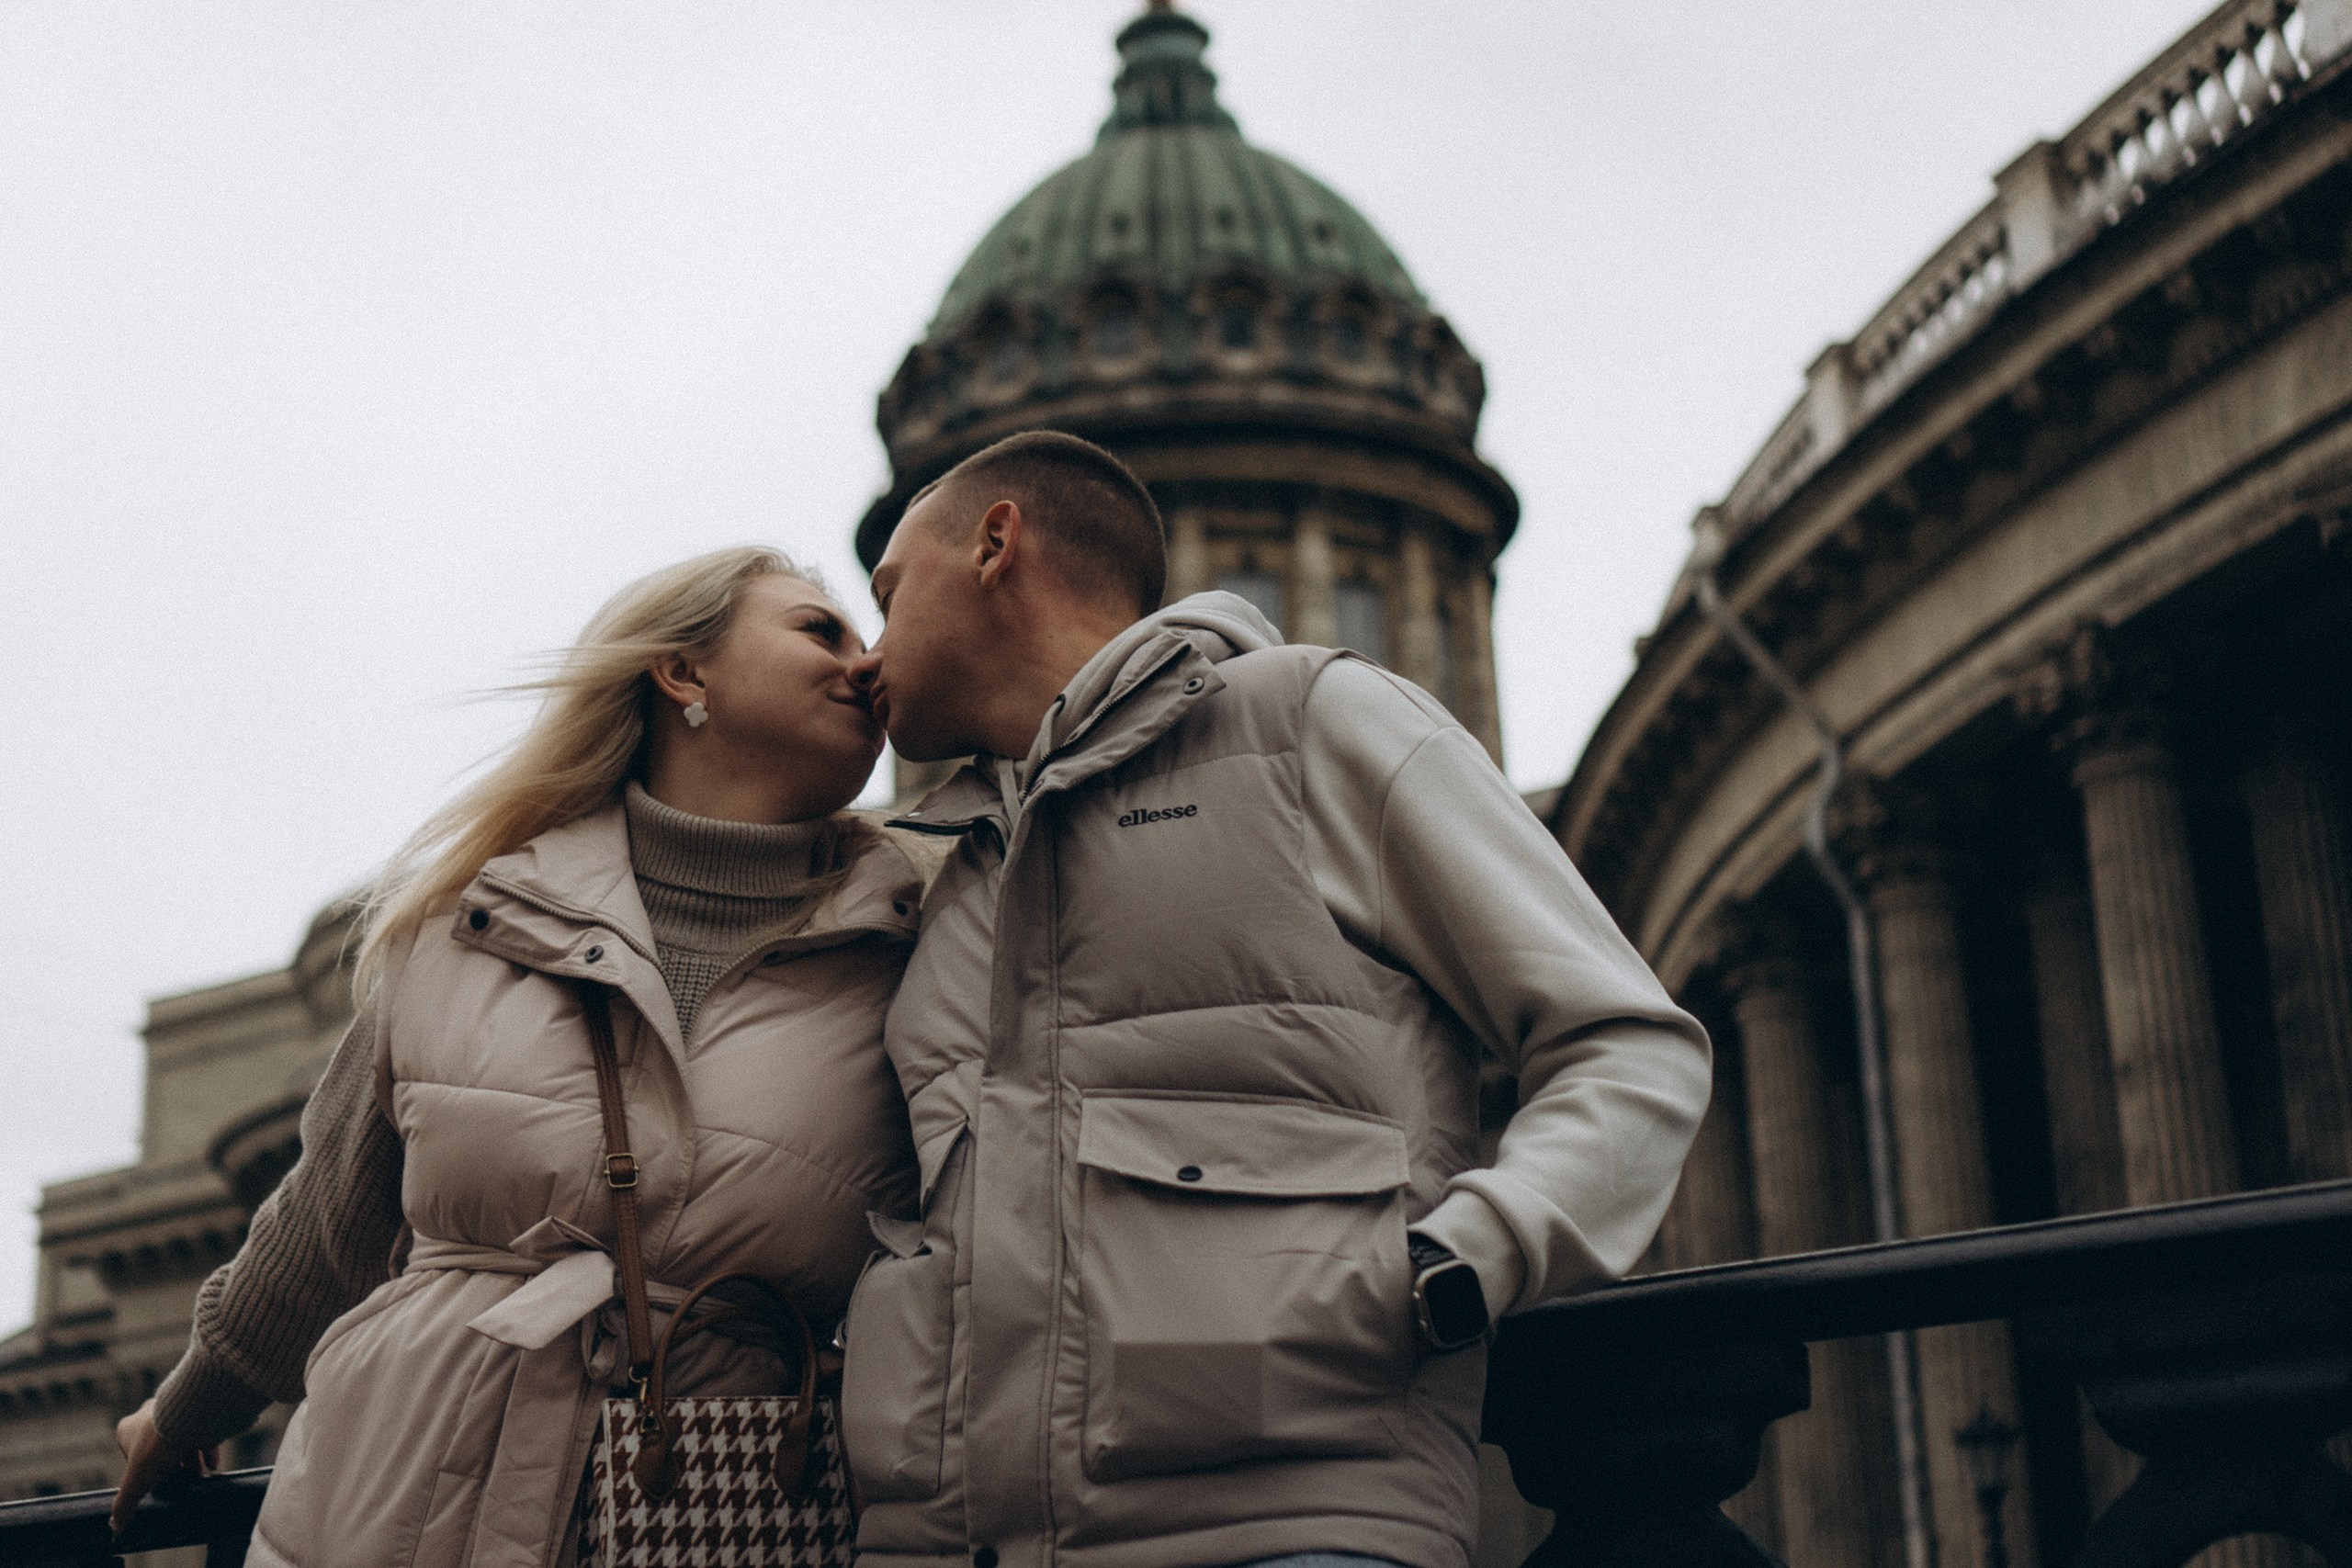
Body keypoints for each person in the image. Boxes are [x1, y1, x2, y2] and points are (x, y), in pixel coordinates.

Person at [839, 430, 1713, 1568]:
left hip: (1288, 1530)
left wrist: (1460, 1264)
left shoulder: (1309, 725)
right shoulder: (947, 886)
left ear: (996, 544)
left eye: (889, 593)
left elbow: (1628, 1044)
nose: (868, 650)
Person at [111, 547, 932, 1568]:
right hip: (390, 1500)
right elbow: (324, 1223)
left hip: (714, 1512)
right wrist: (187, 1408)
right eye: (823, 630)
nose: (868, 664)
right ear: (684, 674)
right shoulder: (470, 920)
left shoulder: (922, 946)